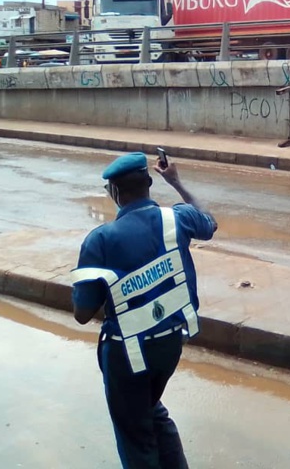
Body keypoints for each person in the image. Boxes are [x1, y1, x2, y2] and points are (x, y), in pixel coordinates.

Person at [72, 152, 217, 468]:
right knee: (150, 410)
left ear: (114, 192)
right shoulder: (177, 219)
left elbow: (82, 313)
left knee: (136, 438)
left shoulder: (100, 240)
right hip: (171, 343)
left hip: (127, 354)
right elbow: (209, 221)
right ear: (150, 182)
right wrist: (176, 182)